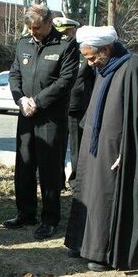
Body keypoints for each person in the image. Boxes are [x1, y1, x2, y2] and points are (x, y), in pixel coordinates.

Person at [64, 25, 138, 271]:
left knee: (105, 196)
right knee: (89, 190)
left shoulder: (131, 66)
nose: (89, 63)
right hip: (95, 141)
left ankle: (103, 252)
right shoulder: (102, 65)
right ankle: (84, 244)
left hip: (116, 147)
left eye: (91, 57)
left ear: (106, 49)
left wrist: (127, 149)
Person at [5, 4, 79, 240]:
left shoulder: (65, 46)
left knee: (49, 169)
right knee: (24, 166)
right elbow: (14, 74)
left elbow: (66, 81)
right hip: (25, 114)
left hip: (50, 118)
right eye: (29, 27)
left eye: (37, 27)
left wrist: (37, 101)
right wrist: (20, 100)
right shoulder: (23, 44)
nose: (33, 32)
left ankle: (50, 218)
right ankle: (25, 213)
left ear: (49, 22)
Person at [53, 17, 95, 190]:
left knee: (77, 147)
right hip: (57, 104)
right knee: (57, 145)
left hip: (77, 106)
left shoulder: (83, 51)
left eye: (66, 33)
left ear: (73, 31)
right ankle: (56, 179)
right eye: (61, 33)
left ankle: (76, 181)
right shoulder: (56, 50)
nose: (64, 36)